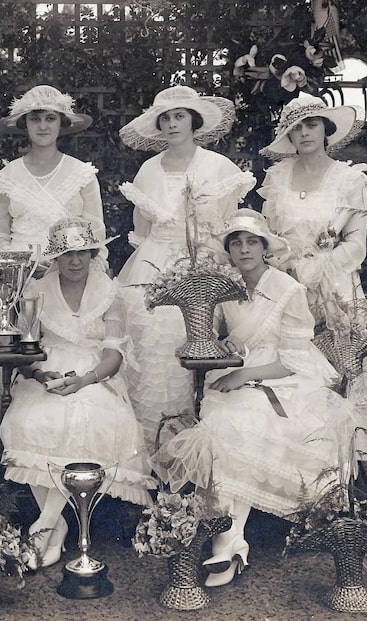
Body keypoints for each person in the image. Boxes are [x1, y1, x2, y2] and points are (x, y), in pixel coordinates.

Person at [153, 209, 367, 587]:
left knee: (245, 420)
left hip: (285, 378)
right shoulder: (223, 288)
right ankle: (232, 543)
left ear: (265, 247)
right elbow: (214, 336)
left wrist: (245, 374)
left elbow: (296, 358)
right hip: (234, 372)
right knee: (221, 424)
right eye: (236, 242)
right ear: (229, 251)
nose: (244, 249)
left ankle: (228, 542)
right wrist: (225, 344)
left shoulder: (288, 288)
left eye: (252, 241)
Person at [258, 95, 367, 485]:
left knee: (346, 369)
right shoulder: (277, 178)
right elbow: (267, 235)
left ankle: (353, 473)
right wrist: (284, 263)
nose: (304, 133)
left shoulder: (349, 179)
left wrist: (317, 266)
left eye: (312, 125)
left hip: (334, 286)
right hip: (286, 285)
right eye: (297, 127)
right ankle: (297, 474)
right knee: (291, 367)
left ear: (326, 131)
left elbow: (356, 245)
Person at [0, 217, 155, 568]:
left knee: (92, 419)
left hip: (95, 373)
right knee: (32, 420)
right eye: (67, 254)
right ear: (55, 257)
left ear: (92, 253)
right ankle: (58, 527)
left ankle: (45, 526)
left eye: (82, 253)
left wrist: (85, 380)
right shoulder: (35, 290)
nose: (74, 261)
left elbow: (114, 355)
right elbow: (26, 351)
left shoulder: (110, 291)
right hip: (46, 371)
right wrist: (41, 373)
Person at [116, 85, 256, 448]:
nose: (173, 124)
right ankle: (151, 446)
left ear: (194, 121)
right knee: (149, 346)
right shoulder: (148, 169)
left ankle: (193, 447)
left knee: (193, 348)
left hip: (203, 268)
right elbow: (141, 230)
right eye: (165, 118)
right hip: (152, 265)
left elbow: (229, 227)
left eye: (179, 116)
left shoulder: (218, 166)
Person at [0, 85, 107, 268]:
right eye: (35, 119)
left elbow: (96, 233)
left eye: (50, 118)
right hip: (20, 275)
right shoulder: (7, 177)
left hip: (71, 273)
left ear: (61, 122)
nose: (42, 126)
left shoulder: (82, 174)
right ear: (25, 123)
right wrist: (21, 264)